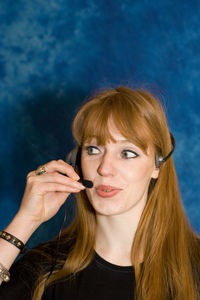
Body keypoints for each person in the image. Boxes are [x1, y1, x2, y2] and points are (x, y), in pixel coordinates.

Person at [0, 86, 199, 300]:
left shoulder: (195, 264)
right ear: (76, 161)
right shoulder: (44, 268)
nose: (104, 169)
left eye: (127, 153)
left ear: (157, 165)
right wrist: (26, 220)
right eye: (93, 150)